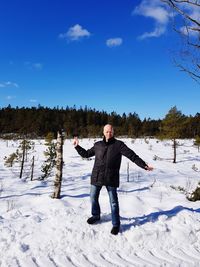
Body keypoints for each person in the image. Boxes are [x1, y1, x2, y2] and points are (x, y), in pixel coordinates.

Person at [73, 124, 153, 235]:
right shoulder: (98, 145)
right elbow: (86, 154)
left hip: (111, 178)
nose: (108, 133)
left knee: (114, 202)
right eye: (106, 131)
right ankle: (96, 215)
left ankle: (116, 224)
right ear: (103, 132)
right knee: (93, 198)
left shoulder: (119, 145)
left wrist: (143, 165)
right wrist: (77, 146)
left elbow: (132, 156)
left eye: (110, 131)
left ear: (113, 132)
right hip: (97, 176)